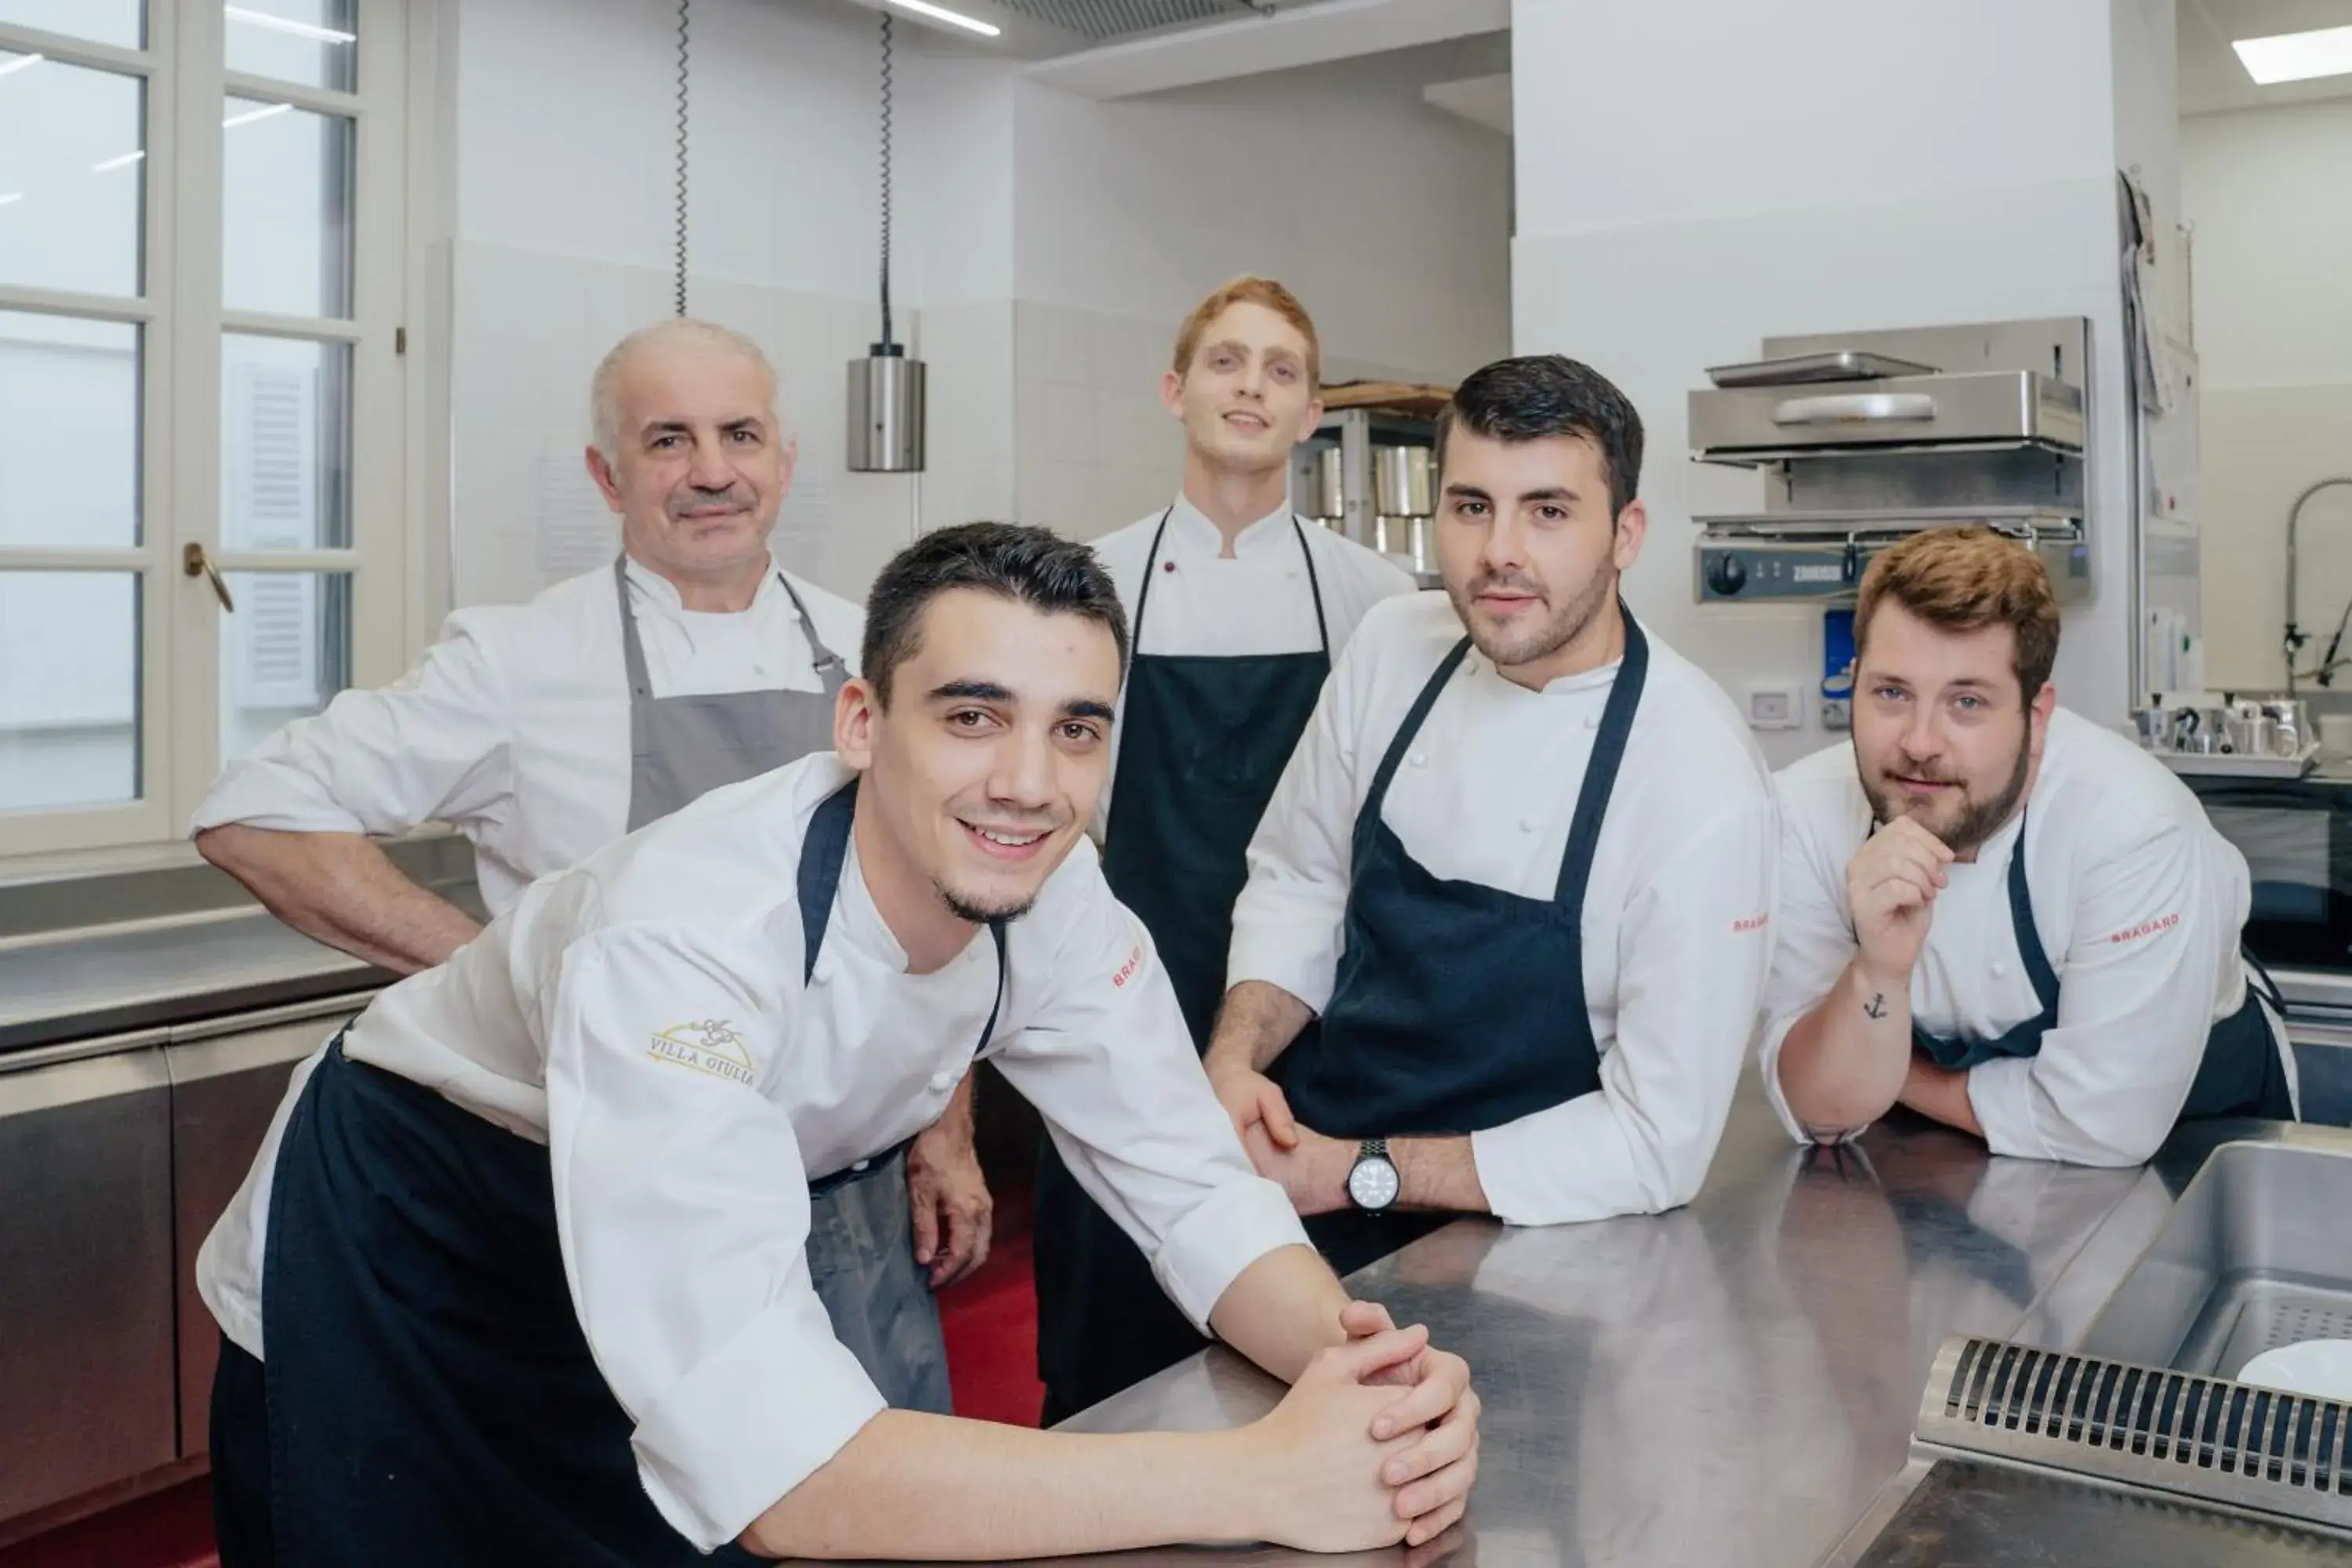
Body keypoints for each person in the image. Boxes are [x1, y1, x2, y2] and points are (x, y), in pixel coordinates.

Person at [198, 523, 1481, 1566]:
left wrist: (1359, 1384)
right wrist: (1256, 1478)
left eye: (1076, 728)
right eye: (973, 717)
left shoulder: (1059, 897)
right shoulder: (687, 944)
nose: (1029, 783)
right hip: (410, 1264)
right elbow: (786, 1484)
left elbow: (1191, 1181)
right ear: (862, 724)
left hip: (651, 1284)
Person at [187, 318, 987, 1410]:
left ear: (784, 462)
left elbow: (942, 906)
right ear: (607, 476)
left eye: (740, 435)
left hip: (832, 1186)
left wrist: (945, 1129)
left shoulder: (878, 651)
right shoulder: (522, 660)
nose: (711, 472)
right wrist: (499, 972)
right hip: (608, 1180)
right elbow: (255, 812)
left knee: (858, 1486)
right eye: (668, 441)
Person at [1203, 354, 1778, 1276]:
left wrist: (1359, 1171)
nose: (1500, 551)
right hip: (1305, 1193)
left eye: (1548, 511)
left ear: (1626, 533)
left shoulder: (1700, 779)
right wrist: (1235, 1061)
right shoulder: (1396, 643)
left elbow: (1654, 1143)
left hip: (1539, 1252)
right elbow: (1301, 879)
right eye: (1473, 506)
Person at [1033, 276, 1414, 1423]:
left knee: (1301, 1321)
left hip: (1309, 1020)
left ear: (1310, 415)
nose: (1251, 386)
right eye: (1226, 362)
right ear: (1175, 390)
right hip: (1121, 1000)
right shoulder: (1090, 582)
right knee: (1115, 1305)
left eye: (1281, 370)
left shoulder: (1377, 598)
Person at [1761, 525, 2296, 1163]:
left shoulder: (2133, 828)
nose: (1919, 742)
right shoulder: (1802, 815)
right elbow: (1818, 1107)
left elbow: (2104, 1124)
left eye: (1966, 702)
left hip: (2199, 1143)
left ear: (2035, 717)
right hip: (1938, 1170)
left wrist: (1883, 1075)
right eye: (1892, 693)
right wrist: (1879, 971)